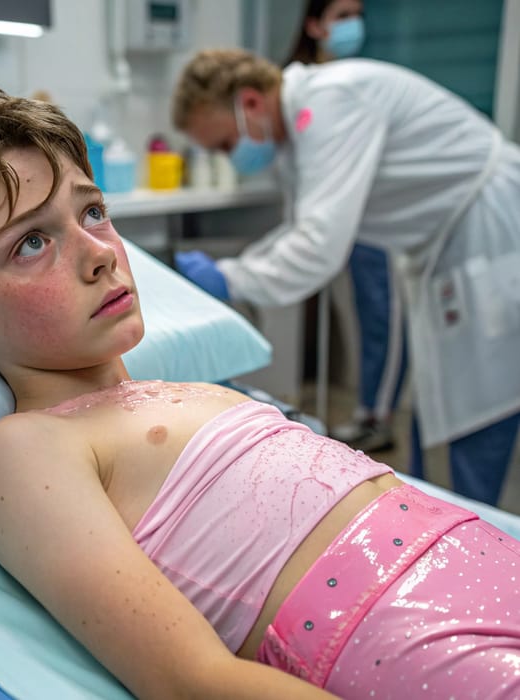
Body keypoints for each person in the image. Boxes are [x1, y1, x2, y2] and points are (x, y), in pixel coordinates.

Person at [0, 88, 520, 700]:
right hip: (401, 630)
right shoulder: (29, 447)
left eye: (93, 212)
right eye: (32, 242)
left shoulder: (193, 390)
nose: (101, 253)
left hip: (488, 553)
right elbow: (194, 680)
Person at [170, 48, 520, 507]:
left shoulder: (333, 101)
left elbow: (317, 247)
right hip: (443, 243)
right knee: (441, 400)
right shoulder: (300, 133)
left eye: (224, 145)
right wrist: (230, 271)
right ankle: (447, 515)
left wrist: (229, 278)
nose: (229, 157)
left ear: (250, 103)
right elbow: (302, 231)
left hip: (492, 232)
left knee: (479, 399)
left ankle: (484, 540)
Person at [284, 0, 407, 453]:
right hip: (326, 218)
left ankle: (375, 414)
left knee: (379, 317)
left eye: (358, 13)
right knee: (349, 316)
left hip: (369, 222)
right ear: (314, 24)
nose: (354, 24)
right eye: (342, 15)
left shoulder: (361, 83)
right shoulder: (296, 86)